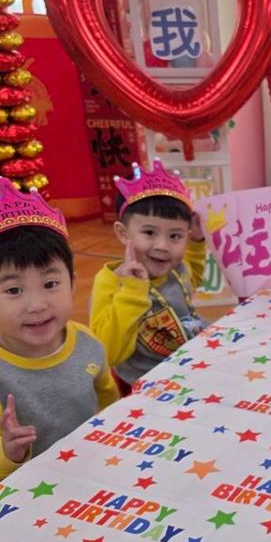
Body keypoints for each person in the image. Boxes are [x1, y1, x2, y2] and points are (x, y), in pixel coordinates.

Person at [0, 178, 119, 492]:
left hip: (89, 477)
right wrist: (4, 450)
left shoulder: (87, 342)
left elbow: (107, 402)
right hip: (22, 497)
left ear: (72, 282)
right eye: (14, 290)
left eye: (50, 284)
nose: (37, 305)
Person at [91, 160, 207, 385]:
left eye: (175, 236)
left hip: (188, 368)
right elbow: (108, 353)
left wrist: (196, 242)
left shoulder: (175, 268)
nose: (162, 246)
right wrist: (133, 290)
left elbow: (191, 279)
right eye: (149, 232)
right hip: (144, 385)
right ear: (123, 233)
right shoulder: (110, 282)